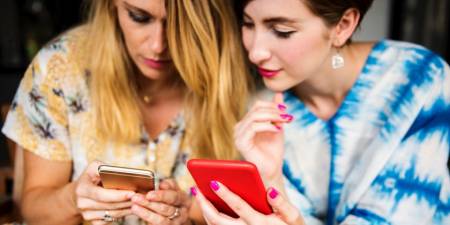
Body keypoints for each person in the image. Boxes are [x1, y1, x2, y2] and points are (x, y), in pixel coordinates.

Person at [191, 0, 450, 224]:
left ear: (343, 25)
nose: (256, 52)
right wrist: (271, 180)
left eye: (282, 31)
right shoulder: (257, 108)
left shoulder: (417, 78)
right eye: (248, 24)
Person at [1, 0, 250, 224]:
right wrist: (74, 199)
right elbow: (31, 210)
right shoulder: (61, 66)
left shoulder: (234, 76)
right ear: (111, 6)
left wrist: (187, 211)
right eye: (139, 17)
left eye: (179, 24)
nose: (158, 45)